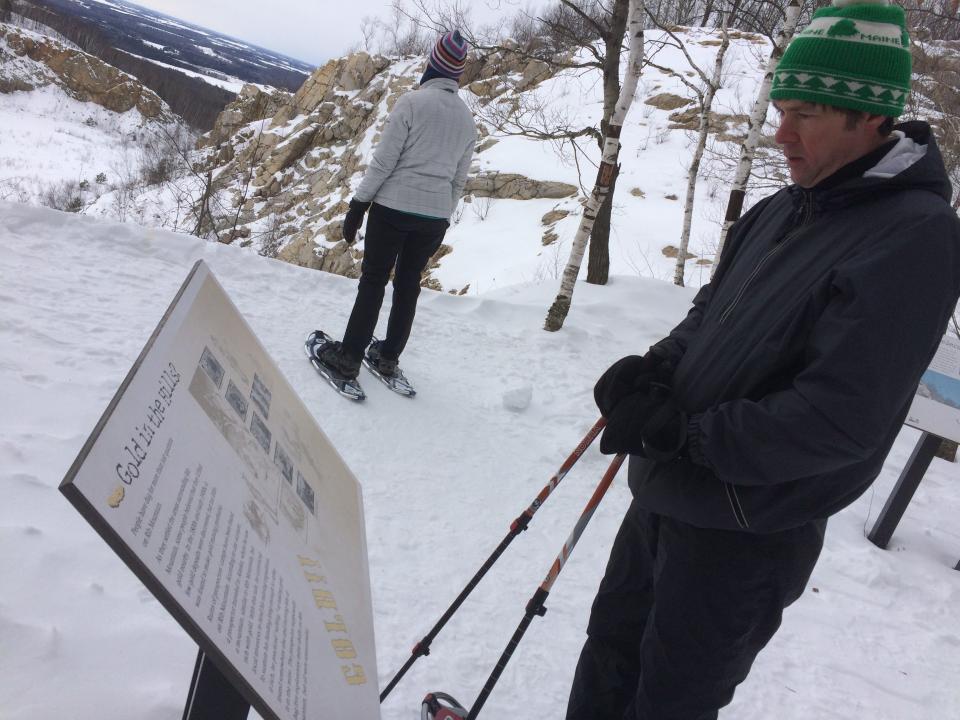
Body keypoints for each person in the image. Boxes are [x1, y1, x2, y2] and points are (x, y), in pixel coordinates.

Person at [567, 1, 960, 718]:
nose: (780, 134)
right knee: (605, 664)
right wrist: (654, 370)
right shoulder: (788, 206)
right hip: (666, 497)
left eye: (805, 114)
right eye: (780, 109)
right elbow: (710, 315)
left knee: (668, 702)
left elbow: (840, 419)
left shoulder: (915, 237)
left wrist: (684, 435)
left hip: (742, 532)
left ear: (868, 118)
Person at [315, 30, 477, 379]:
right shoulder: (468, 121)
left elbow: (384, 163)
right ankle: (388, 357)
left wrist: (359, 205)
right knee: (408, 283)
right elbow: (458, 181)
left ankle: (349, 358)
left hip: (392, 209)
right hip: (433, 217)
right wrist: (443, 216)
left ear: (434, 63)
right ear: (457, 73)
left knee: (373, 279)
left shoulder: (412, 103)